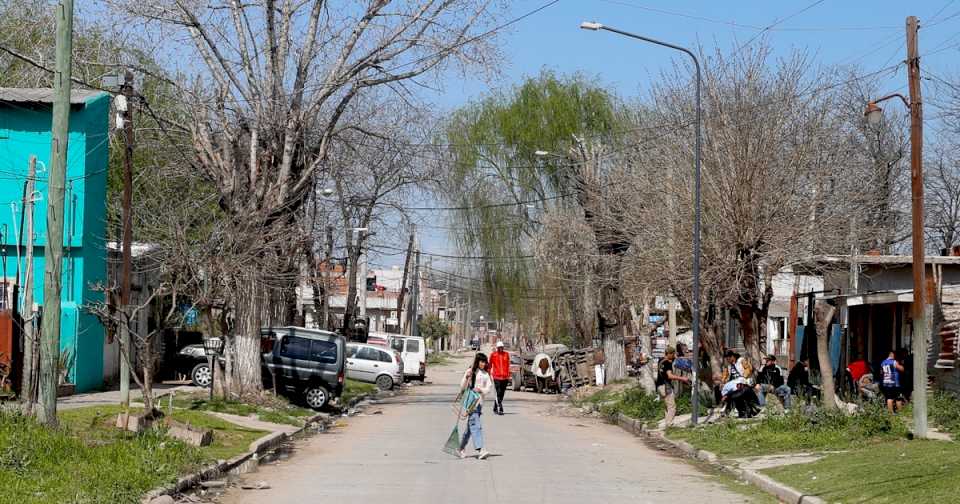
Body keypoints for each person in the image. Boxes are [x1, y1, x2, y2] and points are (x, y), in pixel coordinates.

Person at [458, 353, 493, 459]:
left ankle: (460, 448)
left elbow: (488, 389)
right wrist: (466, 377)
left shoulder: (486, 374)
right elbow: (462, 386)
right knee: (476, 425)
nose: (483, 364)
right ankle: (480, 449)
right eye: (481, 361)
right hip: (470, 402)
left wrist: (481, 390)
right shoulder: (470, 372)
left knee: (470, 427)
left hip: (479, 403)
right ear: (477, 362)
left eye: (484, 362)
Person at [656, 346, 690, 427]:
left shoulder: (661, 361)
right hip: (666, 387)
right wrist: (682, 378)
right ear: (669, 354)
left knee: (667, 406)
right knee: (672, 406)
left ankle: (667, 422)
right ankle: (669, 424)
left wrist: (676, 358)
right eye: (673, 354)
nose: (674, 355)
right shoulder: (667, 363)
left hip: (659, 386)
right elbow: (670, 376)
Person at [489, 341, 511, 415]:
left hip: (505, 377)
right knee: (498, 392)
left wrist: (508, 374)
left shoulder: (506, 354)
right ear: (497, 348)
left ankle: (495, 407)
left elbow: (508, 365)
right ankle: (500, 408)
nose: (501, 349)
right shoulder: (493, 355)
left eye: (502, 347)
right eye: (499, 348)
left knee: (502, 393)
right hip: (496, 377)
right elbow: (490, 365)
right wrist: (488, 374)